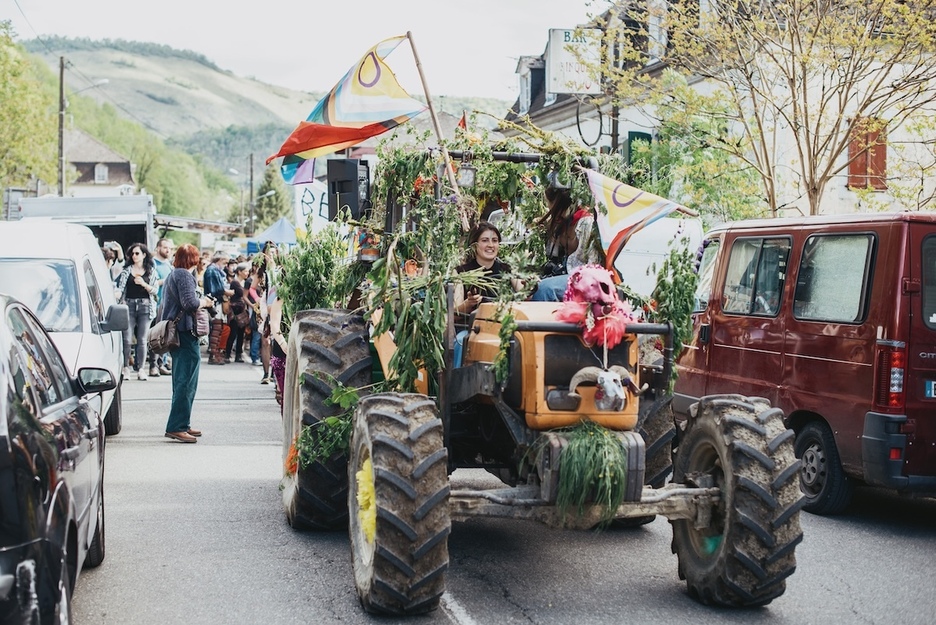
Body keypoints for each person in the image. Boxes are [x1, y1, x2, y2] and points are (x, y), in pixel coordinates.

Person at [160, 243, 213, 443]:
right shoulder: (183, 275)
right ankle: (177, 426)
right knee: (186, 380)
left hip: (178, 332)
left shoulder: (174, 274)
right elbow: (190, 303)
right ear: (193, 259)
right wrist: (205, 302)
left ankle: (183, 422)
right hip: (185, 332)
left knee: (182, 380)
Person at [530, 187, 601, 302]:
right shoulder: (559, 223)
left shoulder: (586, 223)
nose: (547, 207)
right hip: (565, 271)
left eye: (548, 203)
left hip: (584, 276)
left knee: (543, 289)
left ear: (555, 203)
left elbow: (593, 264)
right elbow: (552, 254)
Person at [115, 242, 159, 380]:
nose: (134, 256)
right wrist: (118, 297)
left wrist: (143, 284)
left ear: (144, 255)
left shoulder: (151, 271)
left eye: (137, 253)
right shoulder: (127, 271)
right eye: (132, 254)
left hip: (145, 306)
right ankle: (126, 368)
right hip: (129, 305)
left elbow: (155, 290)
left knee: (142, 339)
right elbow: (121, 288)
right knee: (126, 339)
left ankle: (141, 369)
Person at [453, 221, 515, 316]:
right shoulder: (461, 272)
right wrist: (468, 304)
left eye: (494, 240)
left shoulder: (507, 270)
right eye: (485, 240)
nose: (490, 245)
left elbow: (526, 293)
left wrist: (529, 284)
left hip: (504, 322)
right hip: (473, 324)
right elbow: (453, 315)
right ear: (474, 245)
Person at [148, 237, 174, 377]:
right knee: (156, 336)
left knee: (165, 335)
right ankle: (154, 365)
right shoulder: (153, 264)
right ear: (158, 248)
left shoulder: (169, 265)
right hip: (156, 304)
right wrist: (166, 281)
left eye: (170, 248)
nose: (168, 250)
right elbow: (151, 282)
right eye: (165, 247)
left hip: (167, 305)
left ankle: (162, 363)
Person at [203, 251, 233, 365]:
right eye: (225, 262)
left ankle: (215, 353)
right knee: (216, 329)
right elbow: (216, 289)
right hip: (215, 302)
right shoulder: (212, 270)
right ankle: (214, 354)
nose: (226, 265)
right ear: (219, 260)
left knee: (219, 329)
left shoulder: (215, 270)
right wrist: (228, 292)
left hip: (216, 301)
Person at [224, 262, 250, 362]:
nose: (247, 273)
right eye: (245, 271)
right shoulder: (235, 282)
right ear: (239, 272)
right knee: (233, 333)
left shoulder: (245, 282)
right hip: (235, 312)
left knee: (241, 334)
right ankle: (227, 354)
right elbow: (241, 293)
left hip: (242, 311)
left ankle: (238, 355)